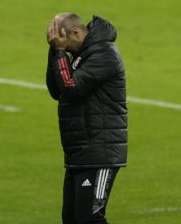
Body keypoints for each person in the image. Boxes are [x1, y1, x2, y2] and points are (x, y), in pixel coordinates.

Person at [45, 13, 127, 224]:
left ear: (76, 32)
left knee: (90, 219)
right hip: (79, 152)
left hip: (100, 152)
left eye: (62, 38)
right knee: (72, 219)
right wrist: (54, 51)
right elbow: (57, 90)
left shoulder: (104, 53)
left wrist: (61, 51)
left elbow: (71, 89)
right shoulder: (77, 54)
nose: (61, 44)